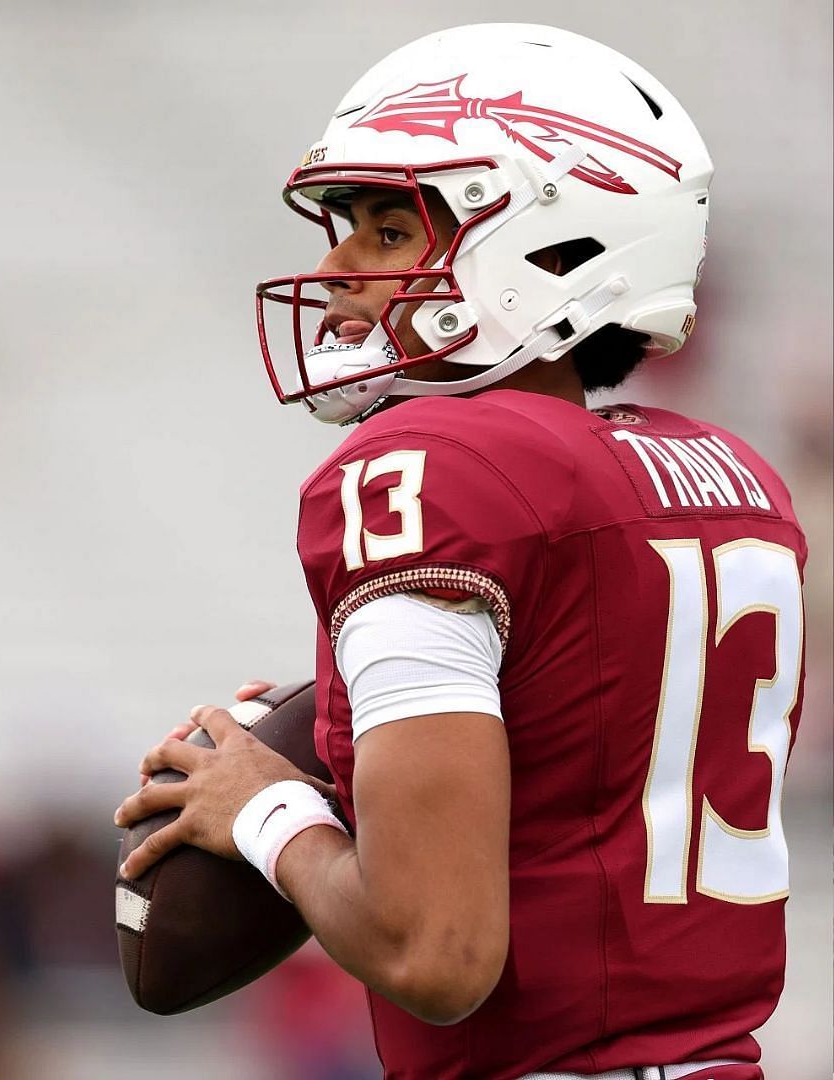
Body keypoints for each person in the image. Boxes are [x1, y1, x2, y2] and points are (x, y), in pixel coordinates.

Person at [114, 24, 800, 1080]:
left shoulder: (432, 466)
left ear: (551, 255)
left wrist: (269, 810)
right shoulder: (724, 475)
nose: (333, 268)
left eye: (389, 233)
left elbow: (437, 955)